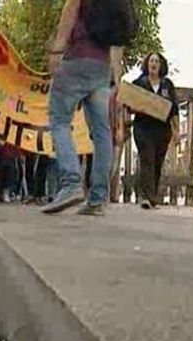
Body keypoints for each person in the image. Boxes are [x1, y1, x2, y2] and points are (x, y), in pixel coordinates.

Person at [42, 0, 126, 216]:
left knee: (59, 121)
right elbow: (117, 41)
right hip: (102, 68)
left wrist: (56, 51)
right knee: (101, 132)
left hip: (76, 61)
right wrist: (116, 77)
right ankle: (97, 199)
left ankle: (71, 184)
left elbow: (69, 12)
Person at [132, 52, 179, 210]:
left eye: (156, 61)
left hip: (162, 129)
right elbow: (128, 104)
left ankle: (153, 197)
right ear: (147, 64)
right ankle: (146, 196)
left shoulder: (167, 85)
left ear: (161, 65)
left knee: (157, 162)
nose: (153, 64)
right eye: (151, 61)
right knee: (147, 159)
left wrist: (176, 130)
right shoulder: (139, 83)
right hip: (143, 127)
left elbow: (174, 109)